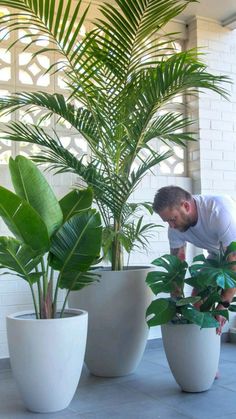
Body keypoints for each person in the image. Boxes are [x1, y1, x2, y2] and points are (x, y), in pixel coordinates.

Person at [153, 185, 236, 336]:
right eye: (167, 222)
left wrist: (224, 304)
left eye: (173, 219)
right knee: (198, 301)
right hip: (217, 255)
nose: (171, 226)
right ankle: (205, 346)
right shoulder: (174, 229)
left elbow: (234, 261)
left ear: (186, 206)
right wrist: (176, 303)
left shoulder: (219, 212)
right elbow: (176, 269)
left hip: (233, 255)